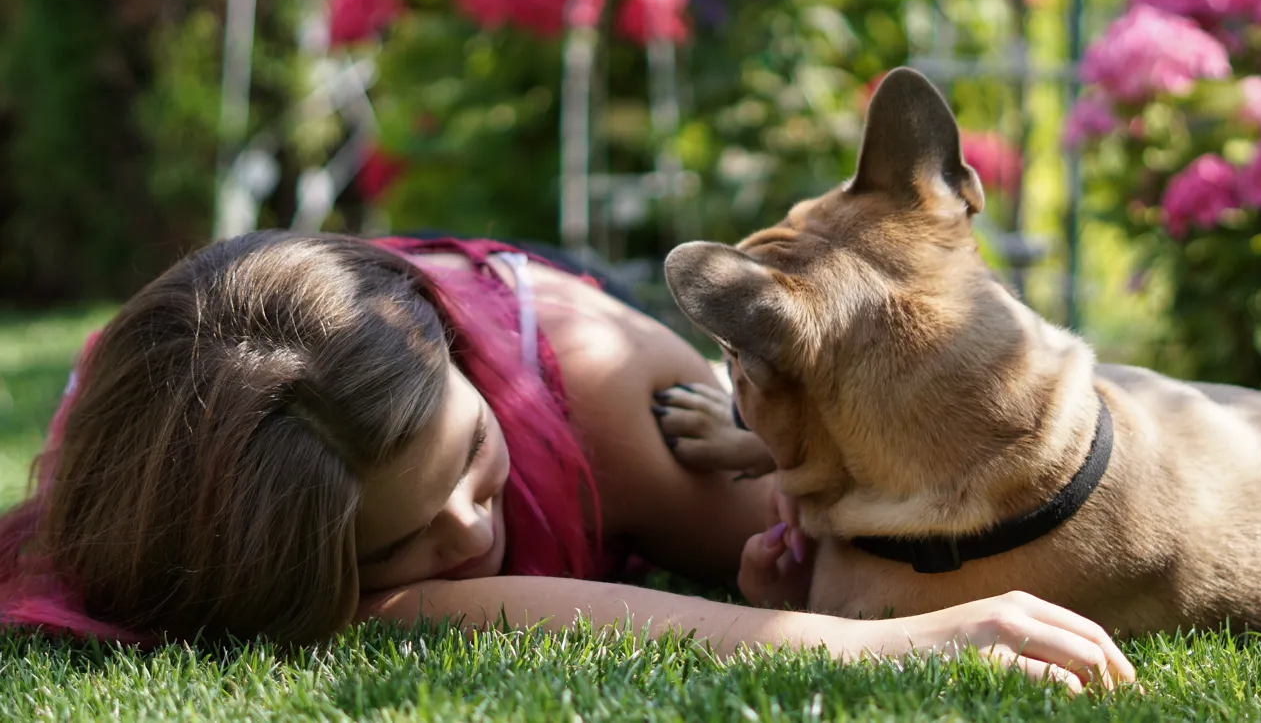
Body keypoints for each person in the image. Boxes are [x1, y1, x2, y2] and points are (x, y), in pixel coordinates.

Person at [0, 231, 1133, 693]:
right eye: (394, 542)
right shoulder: (195, 485)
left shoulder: (610, 397)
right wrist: (876, 648)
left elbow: (940, 520)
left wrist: (835, 570)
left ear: (464, 370)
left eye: (476, 465)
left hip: (551, 316)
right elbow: (417, 614)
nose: (467, 535)